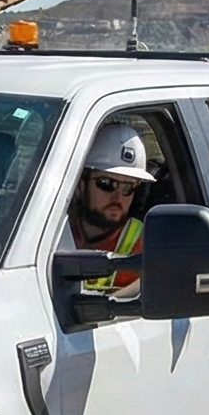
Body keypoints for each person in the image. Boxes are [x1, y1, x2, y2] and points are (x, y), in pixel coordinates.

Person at [60, 122, 153, 291]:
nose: (118, 197)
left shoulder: (146, 245)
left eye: (128, 187)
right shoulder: (53, 233)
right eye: (106, 183)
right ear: (80, 185)